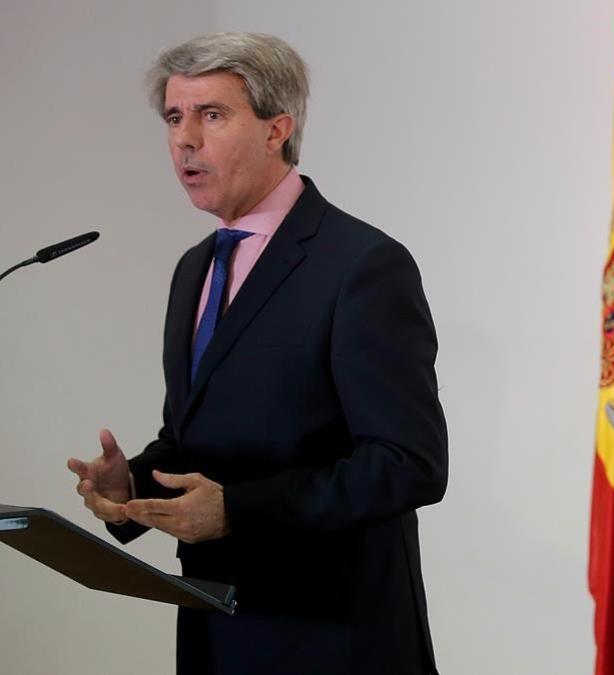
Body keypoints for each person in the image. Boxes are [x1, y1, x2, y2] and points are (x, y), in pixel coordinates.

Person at [64, 32, 448, 675]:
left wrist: (238, 511)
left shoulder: (361, 265)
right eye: (174, 117)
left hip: (332, 638)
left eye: (212, 115)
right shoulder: (196, 269)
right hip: (216, 627)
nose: (185, 139)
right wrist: (130, 484)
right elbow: (196, 440)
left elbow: (409, 464)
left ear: (278, 129)